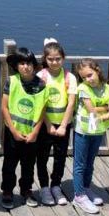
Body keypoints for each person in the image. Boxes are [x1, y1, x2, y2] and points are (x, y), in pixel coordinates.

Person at [0, 47, 48, 212]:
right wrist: (13, 130)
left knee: (29, 163)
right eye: (22, 63)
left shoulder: (41, 84)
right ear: (17, 66)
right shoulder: (11, 81)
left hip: (32, 133)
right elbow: (4, 107)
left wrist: (35, 132)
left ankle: (26, 189)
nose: (25, 67)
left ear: (34, 65)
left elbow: (42, 110)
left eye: (29, 63)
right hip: (13, 132)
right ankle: (7, 190)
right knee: (9, 163)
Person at [71, 59, 109, 214]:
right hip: (83, 130)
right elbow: (91, 110)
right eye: (84, 77)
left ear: (97, 70)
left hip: (97, 131)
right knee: (80, 164)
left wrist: (103, 114)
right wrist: (105, 108)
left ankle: (86, 188)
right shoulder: (83, 88)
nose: (88, 79)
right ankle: (78, 195)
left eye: (90, 75)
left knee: (90, 162)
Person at [36, 39, 76, 205]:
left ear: (63, 59)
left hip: (63, 125)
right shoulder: (41, 76)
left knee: (60, 157)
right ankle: (44, 187)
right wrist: (48, 125)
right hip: (45, 125)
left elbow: (71, 103)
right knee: (42, 157)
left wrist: (64, 126)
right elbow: (40, 104)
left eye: (58, 58)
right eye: (50, 59)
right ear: (45, 59)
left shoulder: (69, 77)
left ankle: (56, 186)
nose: (54, 62)